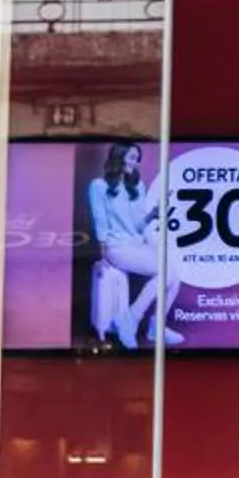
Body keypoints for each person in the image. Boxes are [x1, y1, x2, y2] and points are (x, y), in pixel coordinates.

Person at [86, 141, 179, 350]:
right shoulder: (98, 186)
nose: (135, 162)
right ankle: (131, 320)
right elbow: (99, 222)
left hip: (135, 245)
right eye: (131, 157)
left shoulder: (137, 186)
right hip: (116, 248)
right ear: (118, 157)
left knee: (174, 275)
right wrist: (102, 256)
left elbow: (137, 226)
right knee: (165, 272)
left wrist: (153, 215)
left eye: (137, 159)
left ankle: (156, 326)